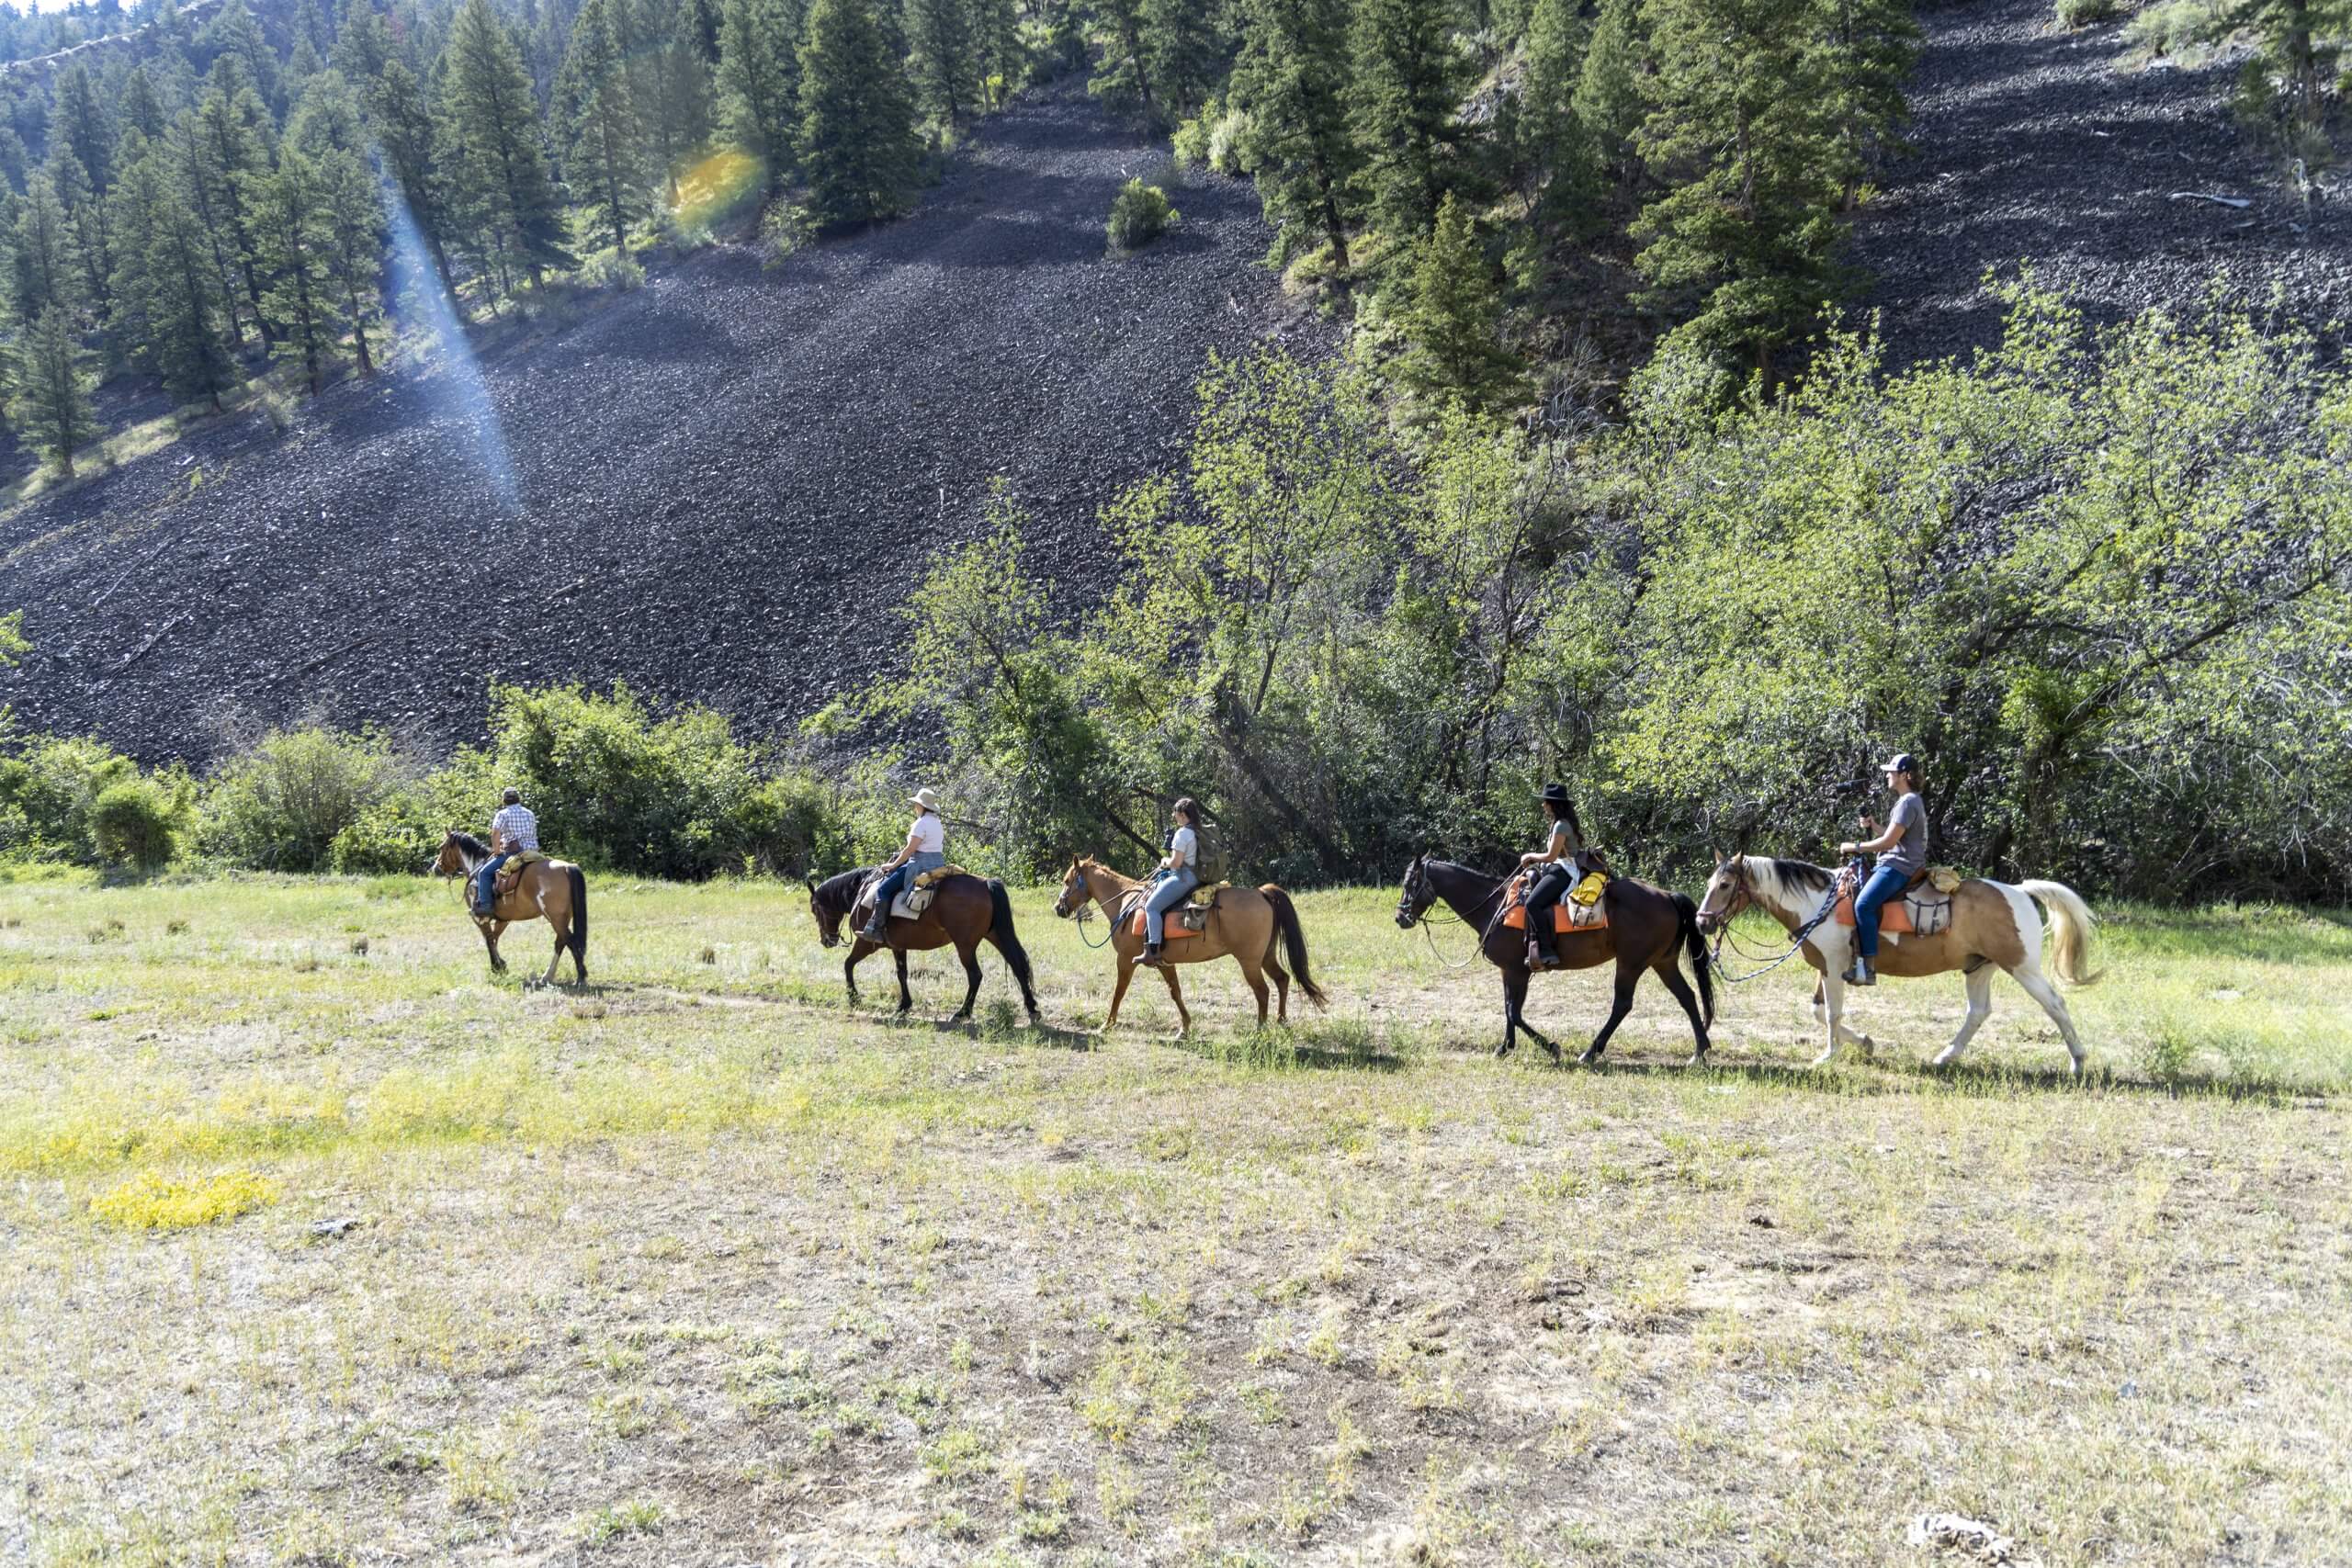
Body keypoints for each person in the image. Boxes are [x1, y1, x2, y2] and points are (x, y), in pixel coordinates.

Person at [1838, 752, 1928, 987]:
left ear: (1905, 775)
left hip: (1899, 866)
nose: (1888, 775)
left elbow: (1888, 844)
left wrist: (1854, 847)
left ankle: (1868, 969)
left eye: (1892, 771)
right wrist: (1874, 826)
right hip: (1899, 862)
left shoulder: (1907, 802)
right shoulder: (1909, 800)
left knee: (1863, 904)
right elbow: (1894, 837)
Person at [861, 788, 948, 942]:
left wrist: (893, 865)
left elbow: (910, 850)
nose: (915, 807)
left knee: (883, 889)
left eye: (916, 805)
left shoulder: (920, 824)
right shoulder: (937, 823)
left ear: (922, 806)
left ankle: (877, 930)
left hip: (919, 866)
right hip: (938, 864)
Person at [1517, 783, 1587, 969]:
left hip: (1563, 872)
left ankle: (1547, 950)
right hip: (1557, 868)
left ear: (1552, 804)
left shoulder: (1561, 826)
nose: (1543, 805)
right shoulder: (1560, 824)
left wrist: (1530, 856)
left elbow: (1551, 856)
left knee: (1532, 903)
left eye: (1545, 802)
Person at [1139, 797, 1204, 967]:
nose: (1174, 816)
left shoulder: (1183, 833)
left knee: (1151, 907)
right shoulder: (1200, 830)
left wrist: (1164, 861)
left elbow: (1176, 863)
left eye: (1175, 813)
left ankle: (1153, 951)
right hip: (1198, 876)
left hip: (1183, 878)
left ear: (1182, 814)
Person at [477, 787, 539, 918]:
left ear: (504, 800)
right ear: (518, 799)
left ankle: (485, 906)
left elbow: (495, 833)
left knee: (484, 873)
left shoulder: (503, 814)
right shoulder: (529, 813)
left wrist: (497, 851)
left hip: (514, 853)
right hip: (533, 853)